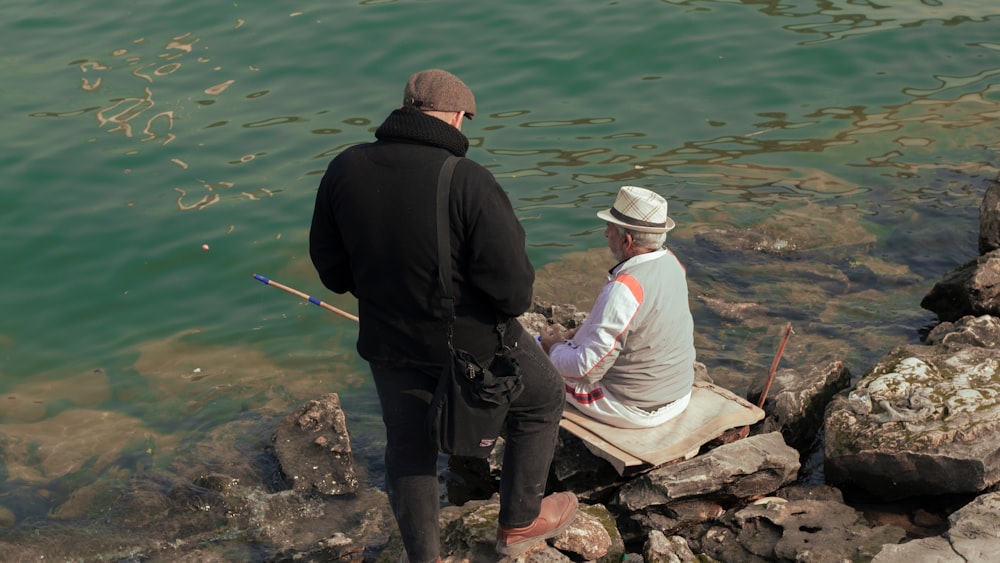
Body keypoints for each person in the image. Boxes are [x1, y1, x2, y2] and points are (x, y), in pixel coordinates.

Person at [309, 69, 577, 562]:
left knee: (409, 447)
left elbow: (330, 267)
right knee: (542, 399)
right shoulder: (468, 180)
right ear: (457, 118)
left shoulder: (344, 168)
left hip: (388, 339)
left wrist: (387, 294)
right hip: (470, 344)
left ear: (405, 109)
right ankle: (518, 522)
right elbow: (514, 291)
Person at [538, 185, 696, 429]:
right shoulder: (672, 263)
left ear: (627, 240)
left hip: (635, 407)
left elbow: (586, 370)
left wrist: (554, 349)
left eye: (609, 228)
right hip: (677, 395)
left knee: (532, 360)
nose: (605, 234)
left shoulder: (625, 289)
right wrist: (580, 335)